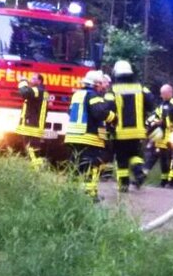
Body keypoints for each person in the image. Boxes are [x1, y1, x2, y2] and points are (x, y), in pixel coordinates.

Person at [64, 70, 116, 200]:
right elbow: (100, 113)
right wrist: (114, 117)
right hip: (89, 136)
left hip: (73, 135)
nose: (102, 87)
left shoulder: (77, 94)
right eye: (100, 84)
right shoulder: (93, 95)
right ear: (95, 84)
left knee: (76, 165)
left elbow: (69, 111)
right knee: (93, 165)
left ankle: (70, 193)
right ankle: (91, 195)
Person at [109, 60, 155, 192]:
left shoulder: (113, 89)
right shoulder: (141, 88)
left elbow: (107, 108)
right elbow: (152, 104)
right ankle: (139, 171)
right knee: (135, 154)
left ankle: (123, 185)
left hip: (120, 132)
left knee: (122, 158)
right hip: (138, 131)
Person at [14, 73, 48, 169]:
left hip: (32, 125)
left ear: (39, 81)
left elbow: (24, 93)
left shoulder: (37, 90)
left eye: (34, 78)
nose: (31, 80)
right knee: (33, 148)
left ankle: (36, 167)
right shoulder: (41, 91)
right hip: (36, 124)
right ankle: (36, 166)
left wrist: (22, 81)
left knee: (31, 147)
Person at [145, 84, 173, 187]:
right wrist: (152, 123)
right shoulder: (161, 106)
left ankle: (171, 181)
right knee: (162, 161)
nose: (161, 96)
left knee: (170, 160)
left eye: (163, 93)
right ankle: (163, 182)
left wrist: (162, 123)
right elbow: (153, 117)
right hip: (161, 139)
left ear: (169, 93)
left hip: (172, 139)